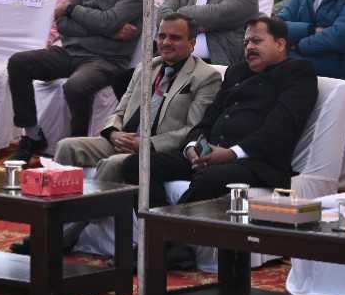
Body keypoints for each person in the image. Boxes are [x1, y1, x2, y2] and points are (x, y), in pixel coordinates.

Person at [120, 16, 318, 212]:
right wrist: (192, 147)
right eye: (246, 42)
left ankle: (173, 230)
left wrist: (231, 153)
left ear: (280, 44)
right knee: (137, 164)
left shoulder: (298, 73)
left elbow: (280, 129)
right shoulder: (236, 71)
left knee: (208, 178)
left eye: (257, 41)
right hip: (210, 156)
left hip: (255, 162)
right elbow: (208, 119)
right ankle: (156, 224)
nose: (249, 47)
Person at [9, 0, 144, 160]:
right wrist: (107, 29)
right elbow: (63, 24)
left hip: (107, 59)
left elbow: (109, 20)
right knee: (19, 62)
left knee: (75, 86)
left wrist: (72, 9)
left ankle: (75, 147)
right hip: (70, 51)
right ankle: (31, 135)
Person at [54, 11, 223, 187]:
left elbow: (193, 128)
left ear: (192, 43)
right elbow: (120, 110)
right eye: (162, 36)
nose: (166, 42)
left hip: (159, 150)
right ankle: (59, 201)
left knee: (113, 163)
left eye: (175, 38)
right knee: (67, 146)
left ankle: (97, 205)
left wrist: (147, 144)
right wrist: (113, 133)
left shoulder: (205, 76)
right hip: (124, 140)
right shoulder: (146, 68)